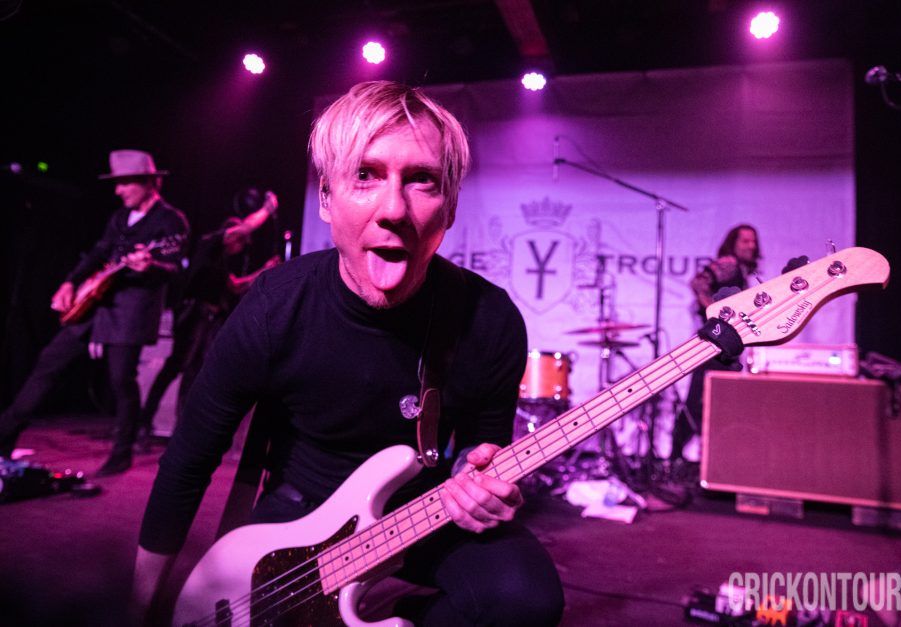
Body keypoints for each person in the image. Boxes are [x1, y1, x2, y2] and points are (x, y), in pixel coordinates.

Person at [134, 81, 564, 625]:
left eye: (422, 180)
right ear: (325, 198)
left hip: (424, 513)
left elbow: (483, 447)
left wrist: (480, 484)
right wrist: (138, 609)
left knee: (527, 601)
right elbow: (189, 459)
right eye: (365, 174)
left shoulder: (490, 318)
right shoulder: (275, 307)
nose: (394, 208)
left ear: (450, 206)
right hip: (301, 513)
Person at [0, 149, 189, 476]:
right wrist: (70, 283)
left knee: (121, 380)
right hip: (95, 303)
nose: (118, 190)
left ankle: (122, 452)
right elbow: (99, 252)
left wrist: (151, 265)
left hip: (130, 311)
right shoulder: (119, 218)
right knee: (49, 362)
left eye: (125, 183)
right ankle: (5, 435)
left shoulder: (170, 221)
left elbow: (175, 268)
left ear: (149, 182)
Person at [137, 190, 279, 442]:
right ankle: (149, 424)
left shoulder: (220, 261)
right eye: (240, 242)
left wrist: (265, 271)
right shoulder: (210, 243)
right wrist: (267, 209)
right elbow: (244, 229)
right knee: (180, 368)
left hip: (205, 320)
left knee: (191, 371)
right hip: (194, 315)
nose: (242, 247)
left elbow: (235, 286)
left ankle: (177, 427)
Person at [672, 224, 761, 462]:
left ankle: (692, 458)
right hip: (713, 345)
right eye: (745, 241)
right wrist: (715, 311)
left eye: (753, 241)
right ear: (733, 243)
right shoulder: (729, 263)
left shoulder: (740, 269)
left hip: (723, 347)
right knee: (698, 402)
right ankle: (675, 457)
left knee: (711, 403)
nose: (751, 246)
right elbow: (698, 283)